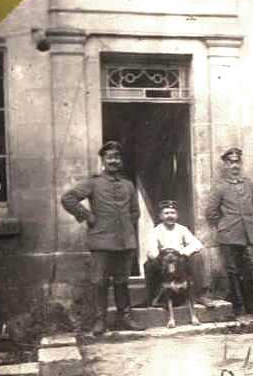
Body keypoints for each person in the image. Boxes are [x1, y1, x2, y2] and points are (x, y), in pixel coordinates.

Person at [61, 141, 145, 335]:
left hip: (125, 241)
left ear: (120, 160)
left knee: (122, 280)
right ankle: (100, 321)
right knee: (99, 281)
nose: (114, 160)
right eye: (110, 157)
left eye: (117, 157)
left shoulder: (128, 185)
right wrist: (88, 217)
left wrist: (126, 228)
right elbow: (68, 198)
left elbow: (135, 212)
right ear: (103, 160)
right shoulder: (93, 182)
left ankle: (125, 317)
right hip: (101, 241)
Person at [205, 147, 253, 317]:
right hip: (229, 234)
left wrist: (251, 223)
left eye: (237, 161)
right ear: (225, 165)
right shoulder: (220, 188)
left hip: (250, 233)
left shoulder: (251, 185)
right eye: (230, 162)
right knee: (232, 270)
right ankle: (238, 305)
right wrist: (225, 225)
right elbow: (211, 212)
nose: (234, 165)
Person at [144, 200, 217, 309]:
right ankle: (155, 297)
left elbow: (196, 244)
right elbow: (151, 250)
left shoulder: (182, 229)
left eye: (172, 213)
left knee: (198, 255)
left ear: (177, 215)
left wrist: (181, 253)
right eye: (166, 213)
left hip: (180, 261)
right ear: (161, 216)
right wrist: (161, 257)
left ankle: (200, 295)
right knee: (149, 264)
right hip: (164, 262)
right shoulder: (156, 231)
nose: (170, 216)